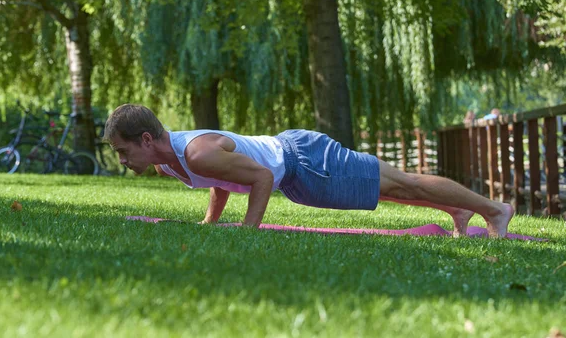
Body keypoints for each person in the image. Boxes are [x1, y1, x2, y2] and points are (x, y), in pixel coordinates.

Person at [104, 104, 514, 238]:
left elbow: (260, 177)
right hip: (298, 173)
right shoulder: (171, 163)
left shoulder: (194, 153)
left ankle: (493, 209)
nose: (122, 161)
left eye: (123, 151)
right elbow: (223, 180)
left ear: (145, 139)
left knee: (403, 183)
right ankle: (456, 212)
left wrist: (247, 232)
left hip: (305, 162)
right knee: (388, 191)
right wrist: (210, 223)